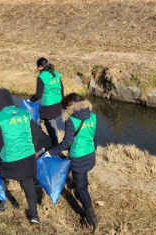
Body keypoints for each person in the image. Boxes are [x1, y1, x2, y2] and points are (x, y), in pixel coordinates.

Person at [0, 89, 41, 225]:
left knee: (0, 177)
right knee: (28, 184)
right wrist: (33, 150)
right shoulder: (24, 113)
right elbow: (37, 133)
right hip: (29, 158)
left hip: (10, 160)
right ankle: (34, 216)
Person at [45, 93, 98, 228]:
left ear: (69, 106)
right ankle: (82, 194)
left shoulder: (71, 120)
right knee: (82, 179)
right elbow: (94, 137)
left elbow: (67, 142)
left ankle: (90, 218)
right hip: (90, 153)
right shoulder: (92, 116)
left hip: (78, 157)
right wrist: (92, 150)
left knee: (81, 188)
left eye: (65, 108)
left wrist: (50, 152)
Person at [30, 58, 64, 146]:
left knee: (51, 127)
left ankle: (55, 148)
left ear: (40, 67)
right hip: (58, 103)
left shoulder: (41, 77)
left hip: (48, 106)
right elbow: (61, 89)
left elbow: (38, 95)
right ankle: (55, 144)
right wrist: (62, 101)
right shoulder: (56, 73)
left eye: (38, 67)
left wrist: (30, 100)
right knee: (53, 122)